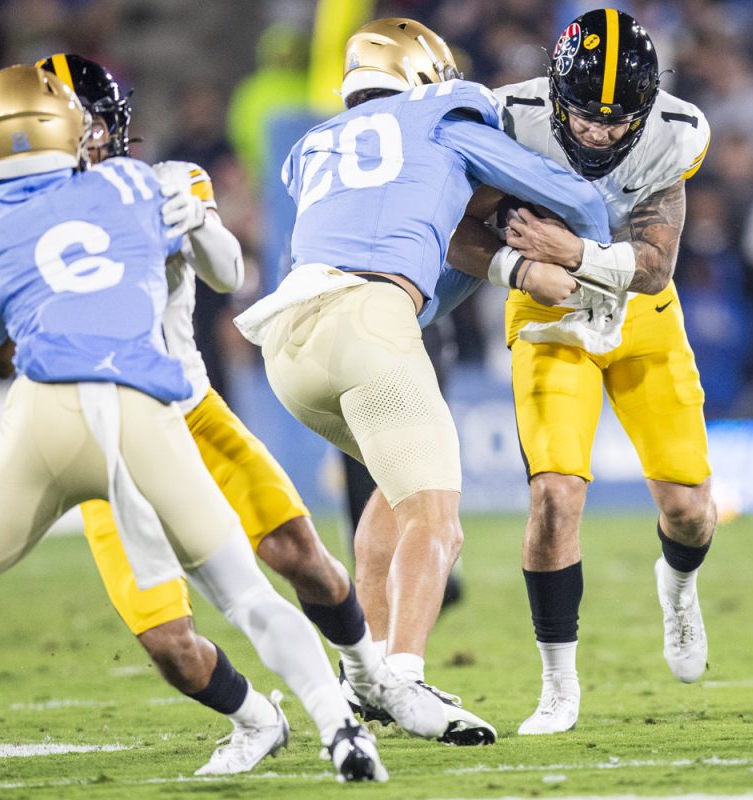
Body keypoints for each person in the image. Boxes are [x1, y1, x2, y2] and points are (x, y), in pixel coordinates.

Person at [0, 64, 387, 783]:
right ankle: (335, 730)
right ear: (67, 132)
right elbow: (228, 269)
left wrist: (197, 229)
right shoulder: (138, 185)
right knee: (238, 600)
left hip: (50, 416)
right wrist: (196, 220)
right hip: (141, 410)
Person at [33, 53, 449, 766]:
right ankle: (258, 719)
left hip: (189, 412)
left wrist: (194, 221)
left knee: (299, 556)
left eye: (92, 123)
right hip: (102, 442)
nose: (84, 138)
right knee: (167, 642)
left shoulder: (169, 183)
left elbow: (229, 274)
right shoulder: (25, 219)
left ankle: (366, 676)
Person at [234, 17, 612, 746]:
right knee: (438, 523)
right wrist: (585, 256)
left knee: (395, 499)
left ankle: (366, 677)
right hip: (369, 324)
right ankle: (404, 676)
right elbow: (571, 197)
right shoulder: (445, 111)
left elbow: (425, 255)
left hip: (287, 343)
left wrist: (502, 265)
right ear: (423, 76)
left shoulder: (313, 144)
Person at [447, 8, 717, 735]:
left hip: (639, 319)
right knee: (556, 498)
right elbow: (451, 230)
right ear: (554, 94)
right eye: (585, 114)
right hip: (546, 319)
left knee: (690, 511)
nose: (598, 131)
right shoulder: (508, 116)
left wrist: (569, 253)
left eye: (617, 118)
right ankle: (557, 686)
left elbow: (655, 269)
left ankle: (679, 587)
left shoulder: (675, 132)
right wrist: (517, 264)